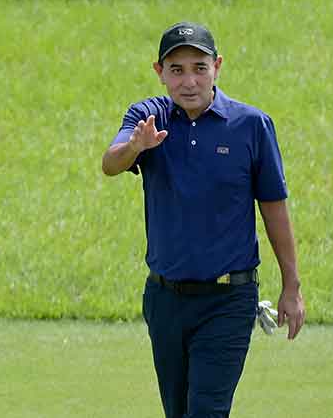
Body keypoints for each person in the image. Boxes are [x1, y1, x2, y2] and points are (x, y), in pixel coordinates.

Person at [102, 21, 305, 418]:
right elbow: (110, 164)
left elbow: (274, 208)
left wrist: (291, 287)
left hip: (228, 300)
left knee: (207, 411)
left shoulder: (251, 125)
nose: (189, 80)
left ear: (218, 67)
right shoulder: (147, 117)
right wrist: (136, 146)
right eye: (176, 70)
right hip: (164, 300)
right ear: (159, 73)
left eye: (199, 67)